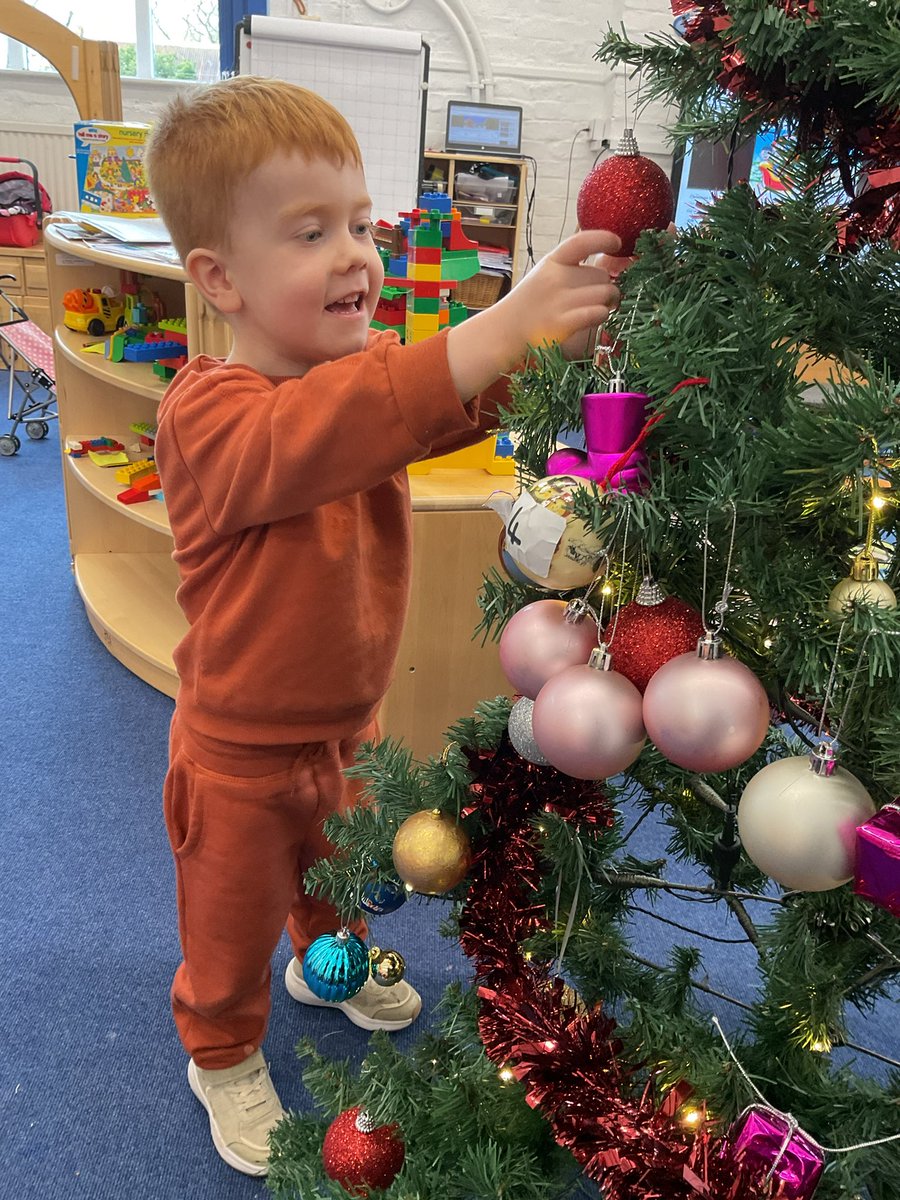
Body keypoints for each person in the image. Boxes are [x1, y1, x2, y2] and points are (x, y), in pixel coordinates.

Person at [146, 75, 621, 1177]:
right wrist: (500, 322)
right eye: (311, 232)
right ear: (220, 278)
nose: (356, 255)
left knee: (339, 872)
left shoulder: (356, 379)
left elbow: (432, 403)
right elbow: (330, 429)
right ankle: (221, 1049)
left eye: (361, 225)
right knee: (227, 921)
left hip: (343, 725)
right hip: (235, 750)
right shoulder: (208, 414)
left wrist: (543, 344)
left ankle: (328, 964)